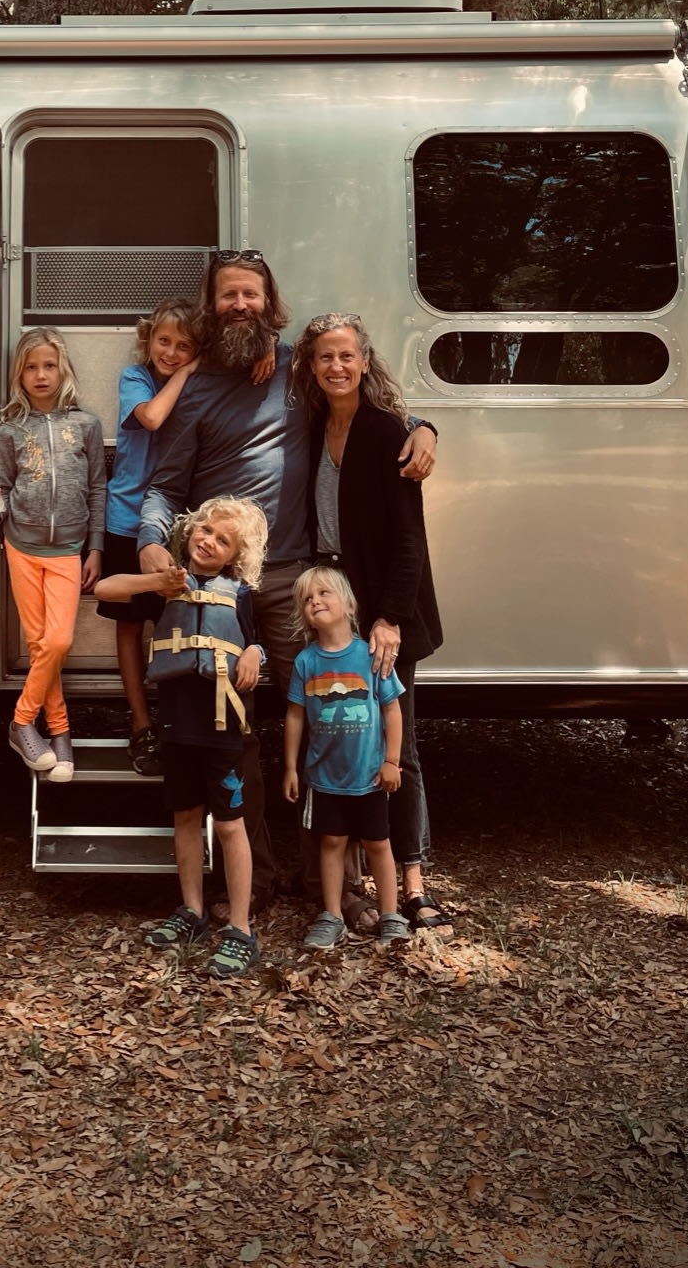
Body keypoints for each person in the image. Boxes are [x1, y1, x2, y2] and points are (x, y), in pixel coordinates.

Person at [137, 251, 436, 905]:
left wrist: (422, 429)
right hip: (222, 591)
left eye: (251, 295)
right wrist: (151, 541)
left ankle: (333, 884)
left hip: (296, 579)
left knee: (334, 717)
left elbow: (361, 400)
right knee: (233, 733)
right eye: (228, 296)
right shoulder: (196, 386)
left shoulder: (299, 370)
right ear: (212, 307)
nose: (239, 305)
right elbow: (163, 486)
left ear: (269, 305)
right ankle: (257, 879)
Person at [290, 311, 452, 936]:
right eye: (325, 357)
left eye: (346, 356)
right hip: (333, 603)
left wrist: (389, 619)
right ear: (311, 366)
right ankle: (352, 882)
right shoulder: (312, 426)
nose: (336, 366)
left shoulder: (386, 431)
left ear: (364, 361)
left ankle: (412, 883)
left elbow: (410, 538)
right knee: (340, 735)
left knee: (396, 747)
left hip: (383, 611)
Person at [98, 495, 266, 979]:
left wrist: (254, 652)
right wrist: (156, 581)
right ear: (190, 530)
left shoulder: (239, 592)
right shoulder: (166, 586)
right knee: (186, 817)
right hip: (176, 724)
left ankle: (241, 927)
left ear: (235, 555)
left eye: (223, 540)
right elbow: (105, 589)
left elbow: (253, 638)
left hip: (222, 728)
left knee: (230, 824)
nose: (209, 541)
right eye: (205, 530)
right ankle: (191, 910)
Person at [0, 328, 105, 782]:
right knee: (40, 646)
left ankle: (21, 721)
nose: (41, 375)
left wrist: (96, 547)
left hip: (68, 549)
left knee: (57, 642)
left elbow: (97, 488)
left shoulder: (85, 426)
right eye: (31, 367)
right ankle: (60, 734)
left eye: (49, 365)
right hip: (21, 546)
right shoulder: (9, 429)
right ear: (19, 375)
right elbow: (6, 490)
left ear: (63, 370)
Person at [282, 565, 409, 948]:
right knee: (332, 843)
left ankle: (391, 915)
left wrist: (391, 761)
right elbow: (295, 716)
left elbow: (392, 710)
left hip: (370, 776)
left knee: (378, 845)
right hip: (324, 779)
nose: (315, 601)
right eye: (307, 598)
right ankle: (332, 915)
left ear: (349, 605)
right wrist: (290, 767)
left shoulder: (369, 655)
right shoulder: (306, 662)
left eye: (324, 593)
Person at [100, 299, 202, 774]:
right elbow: (153, 418)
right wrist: (189, 372)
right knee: (129, 625)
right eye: (164, 341)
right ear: (148, 340)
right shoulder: (135, 378)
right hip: (127, 518)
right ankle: (141, 724)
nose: (172, 353)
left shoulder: (199, 383)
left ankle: (176, 723)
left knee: (176, 625)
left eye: (185, 346)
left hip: (177, 524)